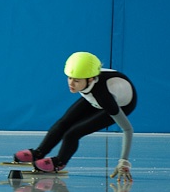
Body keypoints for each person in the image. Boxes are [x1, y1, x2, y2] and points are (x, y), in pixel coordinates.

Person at [12, 51, 135, 182]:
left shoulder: (104, 96)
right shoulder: (86, 78)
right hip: (95, 96)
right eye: (69, 78)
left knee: (74, 133)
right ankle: (39, 153)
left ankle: (59, 162)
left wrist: (124, 160)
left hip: (121, 105)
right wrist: (78, 81)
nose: (71, 83)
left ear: (91, 79)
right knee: (63, 123)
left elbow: (128, 129)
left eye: (76, 80)